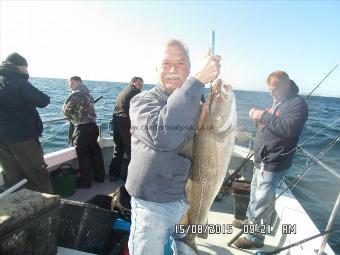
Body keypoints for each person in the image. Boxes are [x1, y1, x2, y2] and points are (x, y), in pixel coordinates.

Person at [125, 39, 221, 254]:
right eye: (166, 63)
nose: (173, 70)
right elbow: (163, 136)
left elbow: (204, 148)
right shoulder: (142, 102)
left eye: (181, 64)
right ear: (156, 68)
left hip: (188, 199)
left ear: (189, 67)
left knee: (187, 248)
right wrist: (197, 81)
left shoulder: (195, 104)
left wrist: (207, 120)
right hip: (152, 204)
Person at [234, 71, 308, 249]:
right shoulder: (277, 101)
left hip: (274, 161)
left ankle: (255, 238)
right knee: (254, 195)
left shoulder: (297, 104)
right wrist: (257, 119)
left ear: (287, 84)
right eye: (270, 91)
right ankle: (250, 222)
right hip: (262, 158)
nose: (272, 94)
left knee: (263, 200)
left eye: (275, 90)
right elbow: (272, 125)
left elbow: (289, 128)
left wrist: (263, 116)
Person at [0, 52, 52, 193]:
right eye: (25, 67)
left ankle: (21, 211)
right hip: (23, 138)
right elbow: (43, 100)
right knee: (38, 176)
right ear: (18, 67)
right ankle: (47, 210)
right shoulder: (18, 82)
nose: (27, 71)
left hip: (2, 140)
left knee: (13, 179)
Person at [63, 76, 105, 188]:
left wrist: (72, 117)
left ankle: (86, 182)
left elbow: (66, 112)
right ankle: (100, 177)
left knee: (84, 156)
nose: (70, 86)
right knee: (96, 152)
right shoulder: (89, 95)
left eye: (71, 84)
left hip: (82, 129)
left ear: (78, 83)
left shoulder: (75, 95)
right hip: (93, 126)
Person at [109, 76, 144, 182]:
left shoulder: (123, 91)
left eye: (142, 85)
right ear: (133, 83)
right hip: (125, 125)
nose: (140, 87)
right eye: (139, 84)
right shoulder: (135, 92)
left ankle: (113, 174)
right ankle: (130, 179)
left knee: (118, 150)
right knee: (131, 151)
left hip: (116, 123)